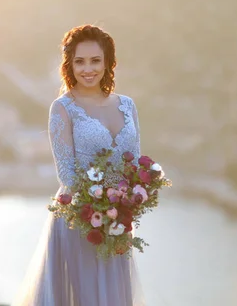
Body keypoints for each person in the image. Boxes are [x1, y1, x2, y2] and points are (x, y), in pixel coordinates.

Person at [14, 25, 146, 306]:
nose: (88, 69)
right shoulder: (63, 108)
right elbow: (67, 173)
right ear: (69, 65)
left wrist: (124, 208)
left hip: (119, 221)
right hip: (80, 219)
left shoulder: (127, 105)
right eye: (80, 61)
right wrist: (102, 208)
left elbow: (134, 163)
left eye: (95, 60)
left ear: (108, 62)